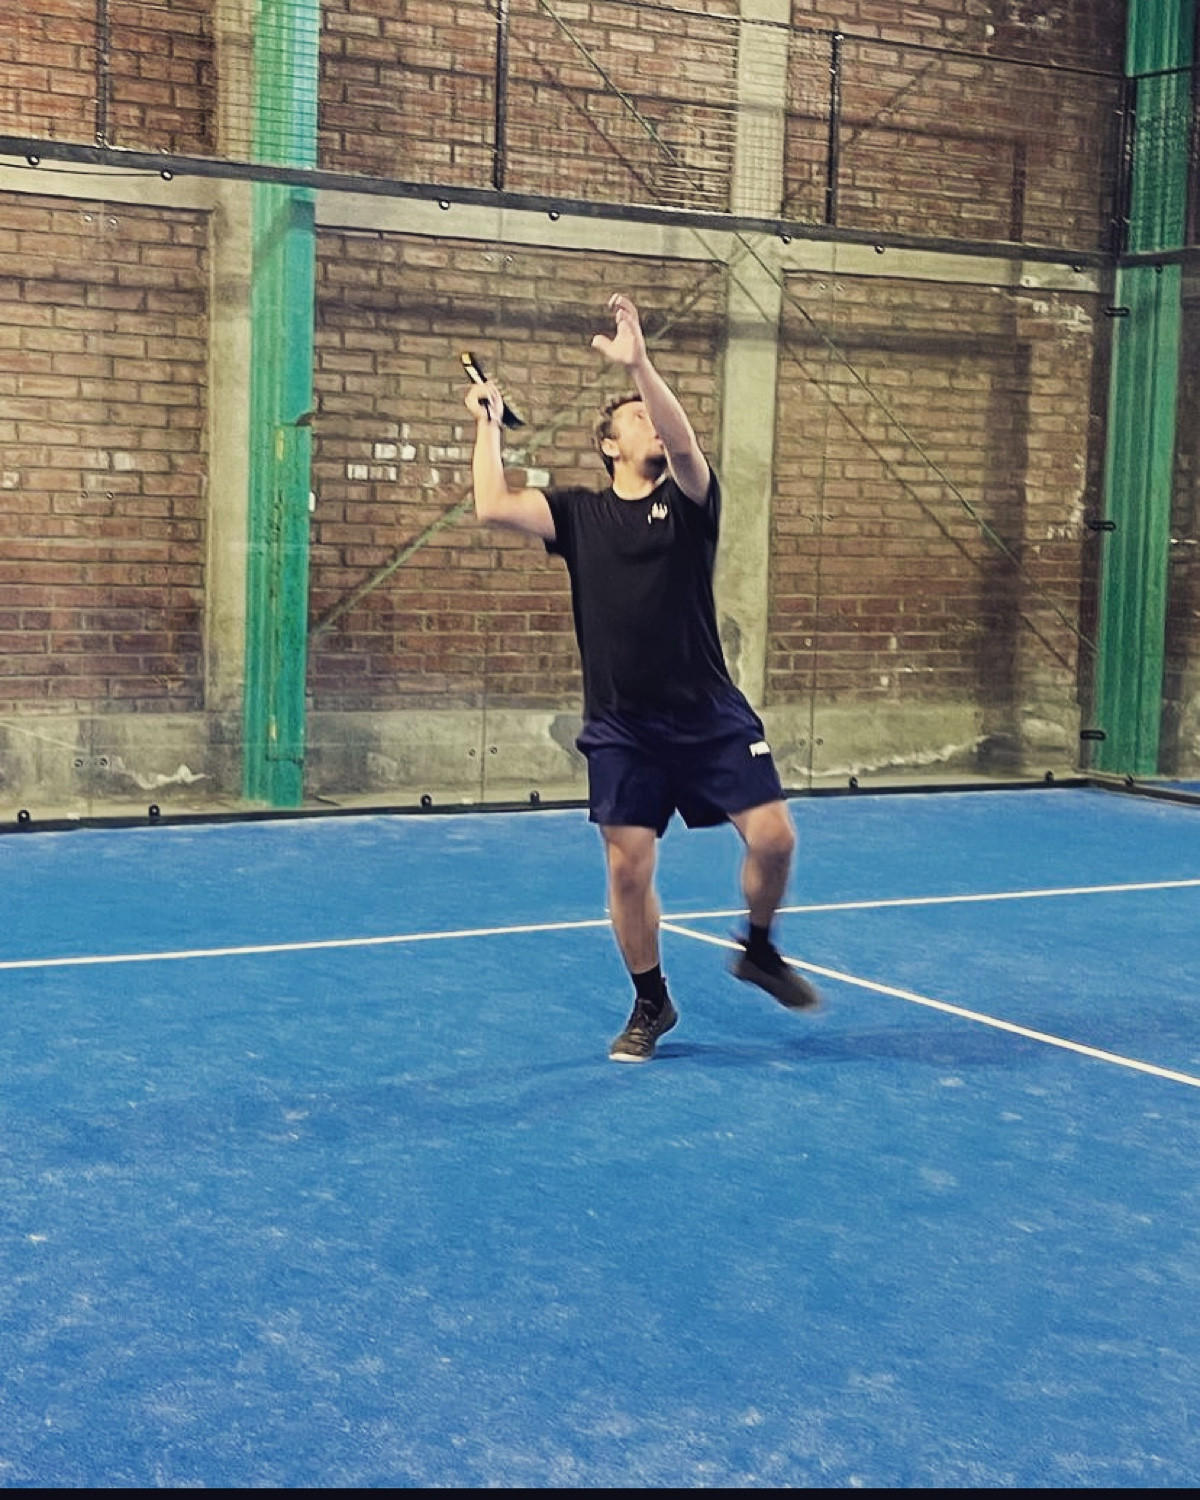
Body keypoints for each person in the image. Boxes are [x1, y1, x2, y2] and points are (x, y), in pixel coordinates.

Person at [465, 293, 820, 1063]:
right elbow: (491, 504)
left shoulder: (690, 501)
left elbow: (685, 445)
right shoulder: (577, 514)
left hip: (709, 713)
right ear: (608, 444)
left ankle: (759, 947)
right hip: (623, 723)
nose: (652, 423)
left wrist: (640, 367)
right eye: (635, 417)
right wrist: (487, 423)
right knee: (628, 867)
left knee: (775, 838)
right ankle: (651, 1002)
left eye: (653, 413)